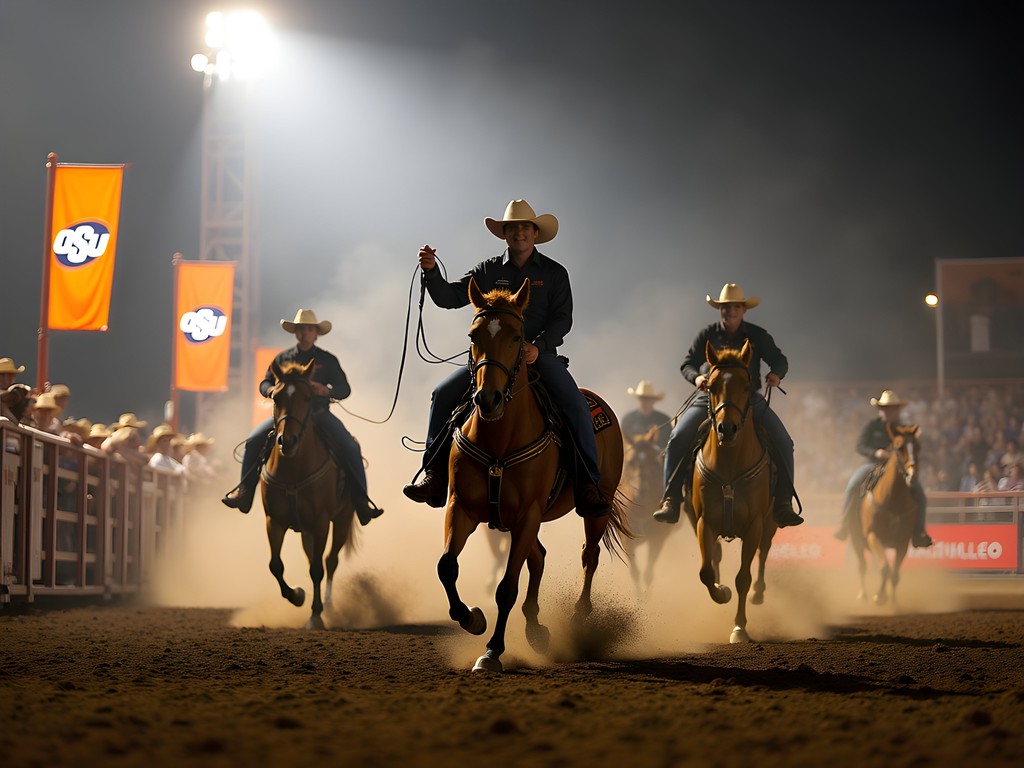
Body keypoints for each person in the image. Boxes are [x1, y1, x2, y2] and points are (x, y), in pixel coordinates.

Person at [402, 198, 613, 517]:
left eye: (525, 227)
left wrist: (538, 347)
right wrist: (432, 274)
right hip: (494, 359)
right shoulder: (487, 270)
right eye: (513, 228)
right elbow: (451, 298)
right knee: (442, 394)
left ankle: (588, 484)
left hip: (535, 358)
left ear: (535, 232)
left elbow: (562, 318)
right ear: (505, 234)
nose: (519, 233)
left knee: (575, 405)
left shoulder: (555, 274)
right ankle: (434, 477)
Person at [653, 283, 803, 527]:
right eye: (725, 307)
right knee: (678, 438)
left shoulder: (757, 335)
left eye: (734, 307)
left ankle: (783, 504)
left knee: (784, 442)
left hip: (748, 399)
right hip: (709, 399)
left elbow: (779, 360)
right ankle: (670, 499)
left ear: (743, 309)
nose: (730, 311)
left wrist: (776, 373)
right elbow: (688, 364)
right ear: (720, 310)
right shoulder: (707, 335)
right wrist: (697, 378)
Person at [221, 309, 383, 526]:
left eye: (309, 329)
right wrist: (271, 391)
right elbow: (265, 383)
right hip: (286, 417)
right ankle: (244, 492)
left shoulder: (327, 359)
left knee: (350, 447)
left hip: (318, 415)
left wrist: (326, 390)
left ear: (316, 333)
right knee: (254, 440)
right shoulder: (283, 358)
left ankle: (361, 502)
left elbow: (344, 389)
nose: (304, 332)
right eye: (301, 328)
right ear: (295, 332)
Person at [833, 390, 933, 548]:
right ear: (880, 410)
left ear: (897, 410)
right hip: (873, 465)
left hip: (898, 468)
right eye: (884, 408)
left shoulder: (903, 429)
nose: (887, 411)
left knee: (920, 494)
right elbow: (860, 446)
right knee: (853, 485)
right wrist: (876, 452)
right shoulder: (872, 426)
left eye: (891, 408)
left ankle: (919, 533)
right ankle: (844, 525)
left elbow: (912, 445)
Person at [621, 380, 672, 448]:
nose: (645, 401)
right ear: (639, 399)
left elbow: (667, 443)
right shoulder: (628, 420)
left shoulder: (664, 420)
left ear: (654, 400)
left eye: (648, 398)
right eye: (643, 398)